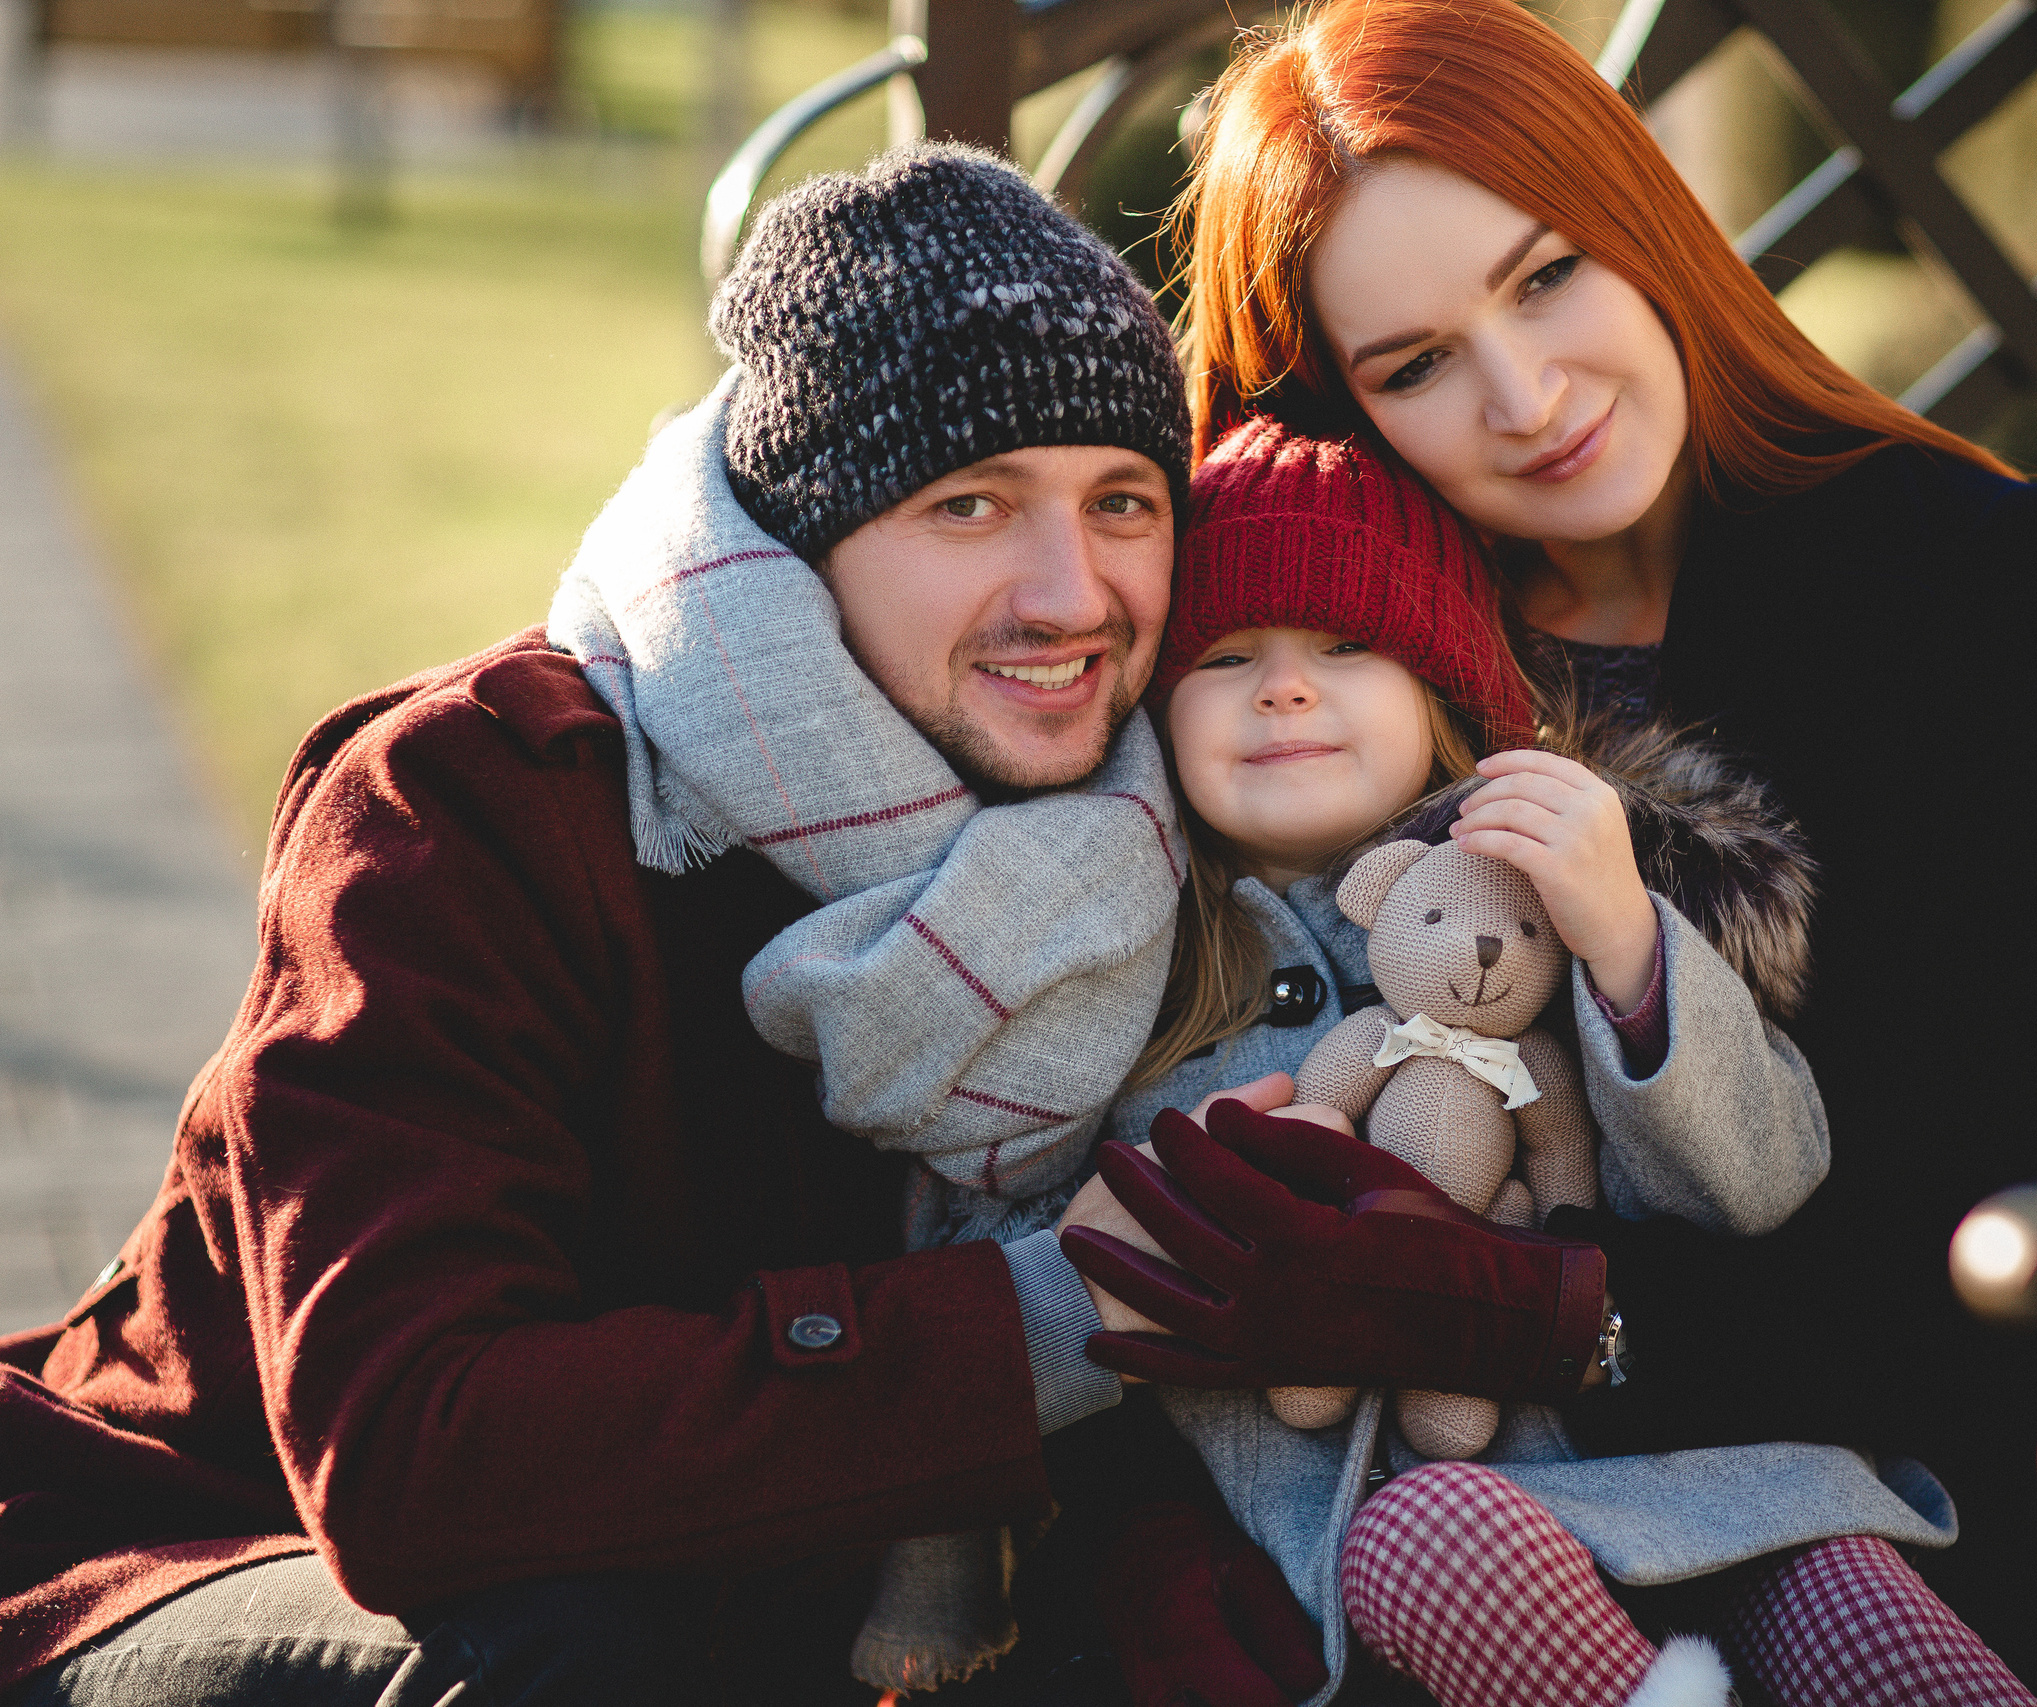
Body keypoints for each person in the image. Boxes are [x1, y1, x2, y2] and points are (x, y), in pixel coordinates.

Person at [0, 145, 1609, 1705]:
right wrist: (1077, 1305)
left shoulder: (1139, 828)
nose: (1073, 595)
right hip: (194, 1546)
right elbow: (417, 1449)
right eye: (970, 507)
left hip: (775, 1607)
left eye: (1122, 503)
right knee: (581, 1649)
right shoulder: (467, 799)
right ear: (801, 536)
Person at [1071, 2, 2037, 1698]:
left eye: (1549, 274)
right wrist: (1159, 1536)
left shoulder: (1968, 591)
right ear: (1336, 404)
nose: (1527, 396)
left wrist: (1533, 1307)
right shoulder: (1325, 673)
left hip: (1924, 1502)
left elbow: (2012, 1234)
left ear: (1644, 219)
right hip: (1440, 1548)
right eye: (1415, 365)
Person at [1069, 417, 2037, 1707]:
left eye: (1350, 646)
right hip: (1425, 1545)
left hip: (1710, 1481)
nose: (1285, 688)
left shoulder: (1558, 896)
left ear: (1444, 692)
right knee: (1435, 1539)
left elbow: (1761, 1184)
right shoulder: (1143, 984)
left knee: (1853, 1602)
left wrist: (1631, 949)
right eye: (1228, 656)